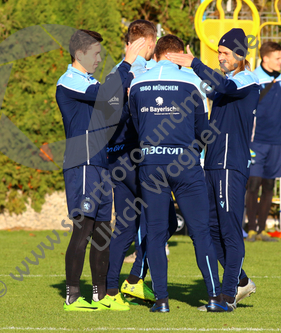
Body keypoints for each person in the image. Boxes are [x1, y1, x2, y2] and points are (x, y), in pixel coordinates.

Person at [130, 34, 227, 313]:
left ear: (158, 54)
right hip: (184, 162)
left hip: (150, 162)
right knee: (200, 232)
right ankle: (214, 297)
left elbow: (136, 124)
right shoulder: (192, 81)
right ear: (179, 54)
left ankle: (161, 301)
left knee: (157, 234)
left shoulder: (138, 81)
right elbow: (203, 130)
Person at [167, 28, 259, 309]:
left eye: (224, 53)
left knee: (230, 231)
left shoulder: (246, 80)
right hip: (211, 165)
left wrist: (194, 63)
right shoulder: (226, 82)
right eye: (218, 52)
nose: (220, 57)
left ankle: (227, 295)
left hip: (231, 167)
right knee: (206, 229)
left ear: (239, 55)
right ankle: (240, 281)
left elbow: (222, 87)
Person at [56, 29, 145, 311]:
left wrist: (129, 81)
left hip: (101, 163)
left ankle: (100, 295)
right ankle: (72, 297)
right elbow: (106, 94)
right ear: (80, 54)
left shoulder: (89, 81)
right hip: (82, 163)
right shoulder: (70, 81)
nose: (99, 58)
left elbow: (112, 104)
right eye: (95, 53)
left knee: (103, 231)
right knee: (84, 230)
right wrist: (127, 63)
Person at [106, 20, 178, 306]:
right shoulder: (145, 73)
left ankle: (112, 290)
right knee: (165, 221)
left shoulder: (116, 70)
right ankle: (135, 279)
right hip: (136, 158)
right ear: (148, 43)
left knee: (125, 226)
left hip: (116, 157)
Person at [245, 41, 281, 242]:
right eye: (278, 58)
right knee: (253, 183)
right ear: (266, 59)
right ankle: (251, 228)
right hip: (256, 142)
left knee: (269, 184)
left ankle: (262, 229)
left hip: (276, 142)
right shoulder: (253, 79)